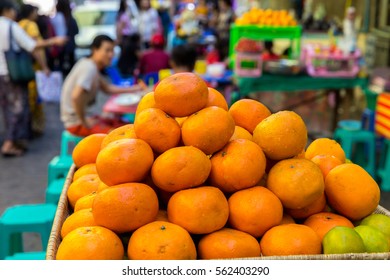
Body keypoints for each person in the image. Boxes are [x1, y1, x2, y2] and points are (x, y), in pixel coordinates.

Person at [0, 0, 66, 156]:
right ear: (8, 10)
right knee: (18, 108)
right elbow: (31, 45)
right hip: (12, 73)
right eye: (13, 10)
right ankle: (9, 144)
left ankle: (13, 140)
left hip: (1, 75)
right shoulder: (11, 26)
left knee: (7, 109)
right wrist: (54, 41)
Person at [60, 35, 142, 137]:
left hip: (87, 118)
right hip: (76, 124)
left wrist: (136, 88)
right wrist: (84, 121)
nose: (111, 55)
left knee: (125, 125)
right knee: (124, 135)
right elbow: (76, 96)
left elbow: (107, 88)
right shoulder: (89, 68)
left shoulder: (90, 65)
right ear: (95, 50)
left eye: (112, 51)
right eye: (107, 51)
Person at [18, 4, 50, 137]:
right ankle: (32, 128)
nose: (36, 14)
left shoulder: (18, 25)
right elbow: (35, 47)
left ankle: (26, 128)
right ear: (31, 13)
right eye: (35, 12)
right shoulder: (31, 25)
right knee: (34, 99)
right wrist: (44, 66)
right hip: (34, 68)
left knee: (25, 99)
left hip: (23, 68)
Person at [49, 0, 79, 76]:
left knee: (61, 67)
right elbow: (76, 31)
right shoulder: (70, 18)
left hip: (59, 46)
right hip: (70, 45)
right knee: (72, 68)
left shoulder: (57, 17)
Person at [116, 0, 140, 77]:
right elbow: (119, 28)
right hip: (125, 38)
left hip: (129, 37)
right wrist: (119, 38)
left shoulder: (129, 14)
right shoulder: (123, 15)